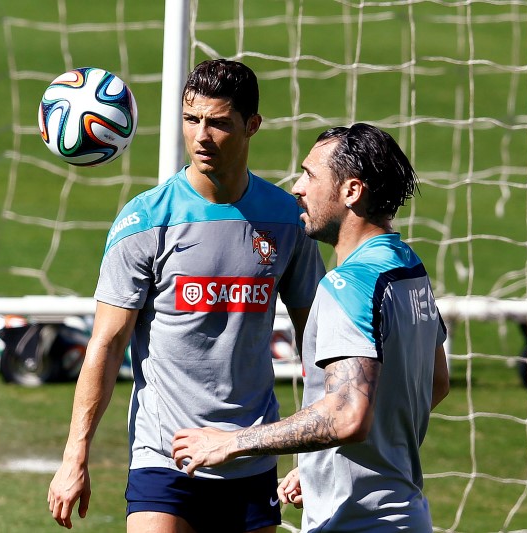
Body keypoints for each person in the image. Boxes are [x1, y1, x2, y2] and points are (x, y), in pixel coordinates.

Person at [47, 58, 325, 532]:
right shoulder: (144, 222)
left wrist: (315, 454)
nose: (201, 136)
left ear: (252, 125)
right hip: (163, 457)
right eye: (191, 119)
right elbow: (107, 344)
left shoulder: (285, 220)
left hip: (252, 454)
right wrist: (76, 455)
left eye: (218, 123)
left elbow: (318, 343)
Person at [172, 123, 451, 532]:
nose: (298, 188)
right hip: (406, 516)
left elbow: (346, 416)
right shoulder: (408, 268)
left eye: (310, 175)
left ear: (351, 191)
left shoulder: (347, 286)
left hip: (357, 523)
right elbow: (437, 381)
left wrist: (229, 443)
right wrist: (323, 462)